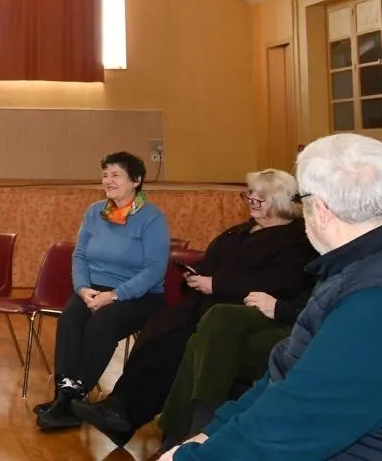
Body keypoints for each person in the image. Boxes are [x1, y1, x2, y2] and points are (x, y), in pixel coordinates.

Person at [161, 133, 382, 460]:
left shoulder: (378, 300)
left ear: (320, 209)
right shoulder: (361, 266)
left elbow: (297, 424)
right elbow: (286, 372)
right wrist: (210, 434)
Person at [72, 168, 316, 444]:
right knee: (157, 332)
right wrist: (196, 275)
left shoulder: (296, 240)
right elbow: (213, 259)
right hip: (205, 304)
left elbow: (281, 283)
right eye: (249, 196)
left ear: (280, 203)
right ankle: (119, 406)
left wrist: (217, 284)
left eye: (259, 200)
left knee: (176, 346)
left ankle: (142, 419)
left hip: (241, 311)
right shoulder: (243, 229)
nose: (251, 203)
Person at [36, 151, 170, 431]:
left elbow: (154, 270)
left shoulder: (152, 218)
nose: (108, 180)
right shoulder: (95, 212)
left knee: (102, 323)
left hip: (139, 295)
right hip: (93, 289)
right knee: (70, 319)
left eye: (116, 175)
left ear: (136, 180)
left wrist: (115, 295)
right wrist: (82, 288)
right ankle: (64, 394)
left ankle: (76, 394)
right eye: (105, 175)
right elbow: (80, 255)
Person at [155, 285, 313, 451]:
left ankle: (188, 433)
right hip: (290, 310)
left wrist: (281, 308)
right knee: (215, 322)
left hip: (301, 328)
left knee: (205, 341)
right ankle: (191, 433)